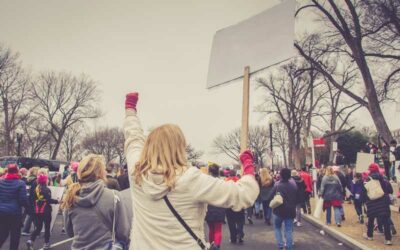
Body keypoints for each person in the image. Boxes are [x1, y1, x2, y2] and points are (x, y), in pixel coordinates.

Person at [123, 92, 259, 249]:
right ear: (179, 148)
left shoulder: (137, 174)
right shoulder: (190, 179)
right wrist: (248, 164)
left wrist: (130, 111)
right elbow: (243, 195)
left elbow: (133, 138)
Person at [62, 154, 130, 250]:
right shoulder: (114, 196)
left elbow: (70, 232)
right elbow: (123, 233)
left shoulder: (71, 197)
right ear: (100, 172)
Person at [26, 173, 59, 250]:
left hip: (37, 210)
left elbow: (32, 200)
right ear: (45, 180)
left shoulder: (36, 189)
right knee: (47, 227)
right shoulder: (47, 189)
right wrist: (57, 201)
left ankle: (31, 240)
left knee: (38, 228)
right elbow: (48, 200)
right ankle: (46, 244)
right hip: (46, 210)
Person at [362, 163, 393, 245]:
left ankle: (370, 236)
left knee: (371, 219)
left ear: (370, 170)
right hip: (383, 201)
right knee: (386, 220)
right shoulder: (382, 178)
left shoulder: (367, 179)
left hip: (372, 202)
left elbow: (365, 191)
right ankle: (388, 239)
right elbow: (387, 189)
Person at [0, 164, 28, 250]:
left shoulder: (1, 182)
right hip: (15, 213)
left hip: (1, 212)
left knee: (2, 233)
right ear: (17, 171)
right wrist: (28, 207)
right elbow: (23, 200)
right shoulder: (21, 183)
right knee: (15, 236)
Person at [271, 168, 297, 250]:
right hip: (290, 210)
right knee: (288, 230)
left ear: (281, 175)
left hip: (279, 210)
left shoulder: (278, 185)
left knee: (277, 228)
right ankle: (289, 247)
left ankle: (280, 245)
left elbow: (271, 195)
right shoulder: (293, 185)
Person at [205, 163, 226, 250]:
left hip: (209, 207)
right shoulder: (222, 182)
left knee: (211, 229)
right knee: (218, 229)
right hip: (219, 207)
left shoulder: (206, 182)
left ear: (209, 172)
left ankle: (211, 245)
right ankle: (216, 246)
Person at [22, 167, 40, 236]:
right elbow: (35, 191)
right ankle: (35, 230)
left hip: (27, 198)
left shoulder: (27, 179)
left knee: (30, 215)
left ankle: (27, 229)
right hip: (33, 199)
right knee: (33, 215)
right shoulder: (35, 180)